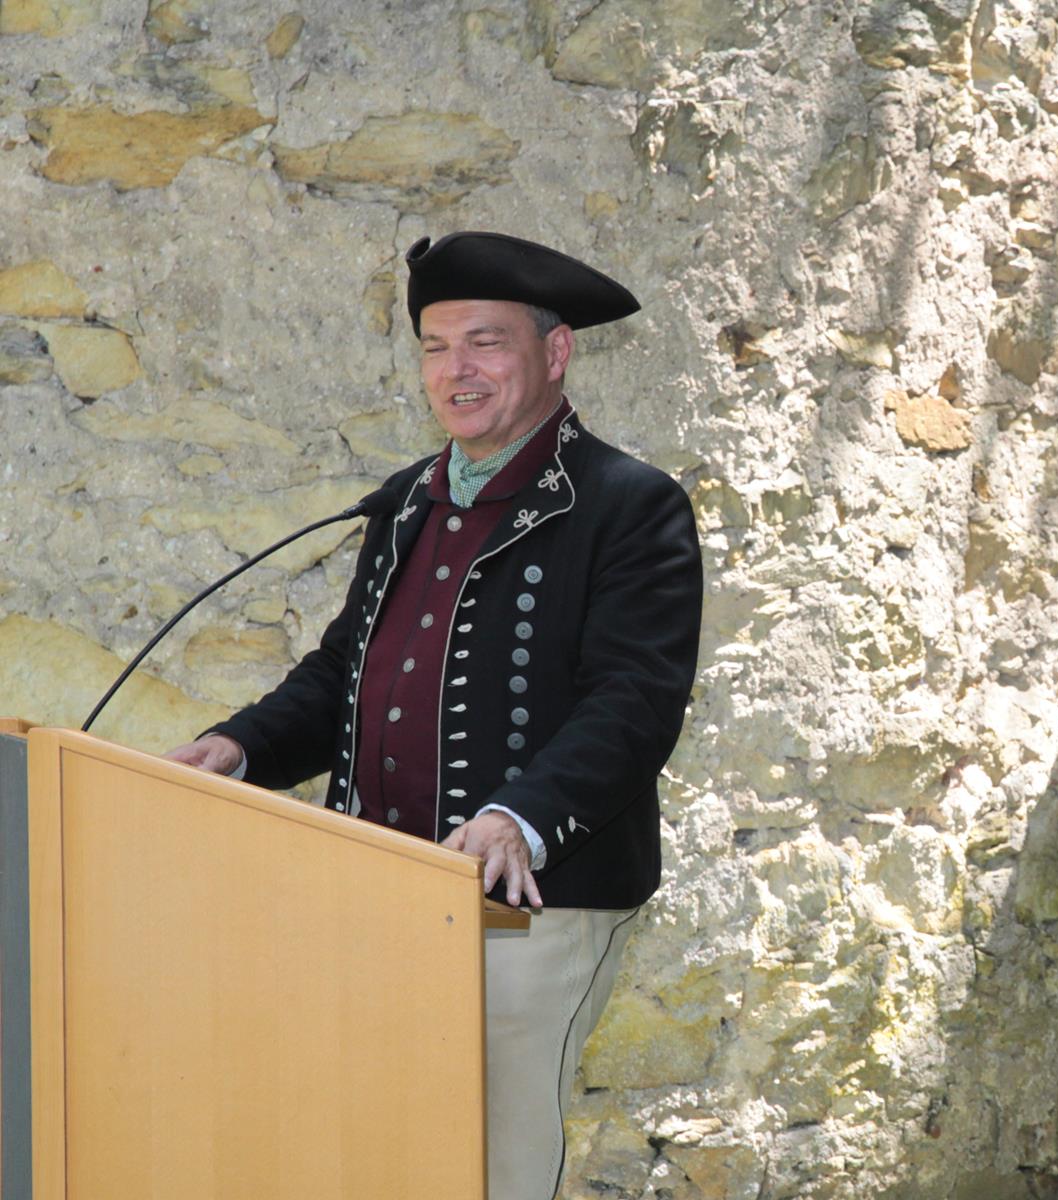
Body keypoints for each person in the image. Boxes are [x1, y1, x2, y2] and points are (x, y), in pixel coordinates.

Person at [167, 230, 704, 1199]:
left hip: (530, 901)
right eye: (436, 346)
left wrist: (520, 817)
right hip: (373, 883)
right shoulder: (408, 500)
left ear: (556, 351)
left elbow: (634, 701)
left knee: (491, 1162)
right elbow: (346, 671)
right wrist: (239, 746)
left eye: (486, 342)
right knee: (368, 1148)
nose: (457, 370)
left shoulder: (629, 504)